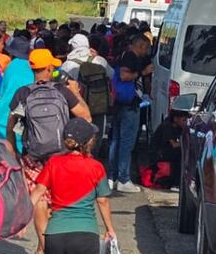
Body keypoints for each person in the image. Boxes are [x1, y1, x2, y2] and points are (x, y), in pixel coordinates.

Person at [7, 49, 92, 254]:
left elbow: (11, 123)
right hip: (61, 156)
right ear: (48, 68)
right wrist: (77, 93)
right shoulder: (63, 91)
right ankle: (50, 252)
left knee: (39, 202)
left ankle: (43, 251)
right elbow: (86, 117)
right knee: (57, 203)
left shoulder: (22, 93)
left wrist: (12, 148)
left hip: (33, 157)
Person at [31, 119, 116, 254]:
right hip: (84, 238)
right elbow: (103, 200)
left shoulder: (53, 163)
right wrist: (110, 229)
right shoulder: (95, 167)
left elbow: (36, 195)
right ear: (87, 142)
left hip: (55, 237)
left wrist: (18, 219)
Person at [108, 34, 153, 193]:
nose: (146, 52)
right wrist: (142, 72)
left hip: (119, 103)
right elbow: (124, 75)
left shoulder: (122, 55)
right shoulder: (130, 58)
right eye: (146, 48)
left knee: (116, 140)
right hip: (129, 105)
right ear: (140, 46)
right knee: (126, 142)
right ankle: (123, 178)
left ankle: (111, 177)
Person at [59, 34, 114, 151]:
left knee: (75, 139)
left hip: (76, 108)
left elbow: (61, 87)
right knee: (95, 140)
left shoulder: (68, 64)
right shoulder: (100, 60)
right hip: (98, 106)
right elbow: (113, 75)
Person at [0, 35, 34, 142]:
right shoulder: (32, 66)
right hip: (28, 113)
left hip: (6, 115)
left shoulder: (11, 66)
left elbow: (3, 94)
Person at [150, 110, 188, 189]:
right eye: (183, 120)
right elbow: (174, 144)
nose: (185, 122)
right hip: (159, 154)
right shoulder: (167, 127)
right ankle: (175, 183)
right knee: (179, 155)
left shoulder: (178, 127)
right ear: (175, 119)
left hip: (166, 150)